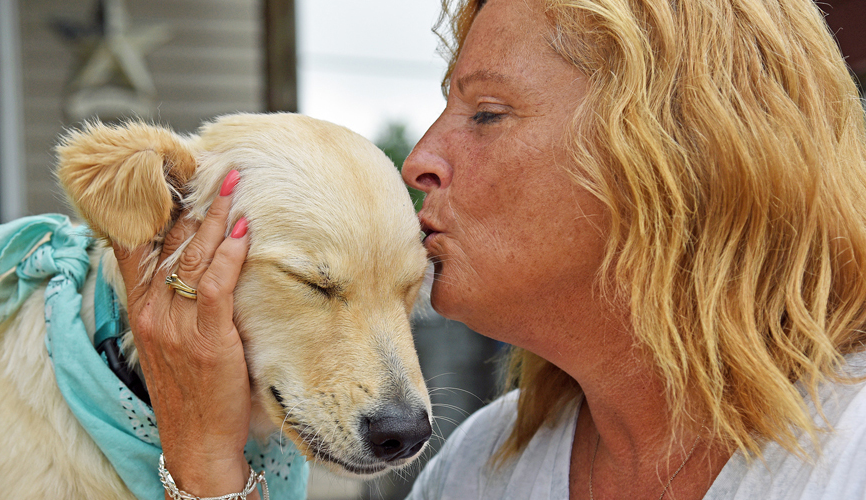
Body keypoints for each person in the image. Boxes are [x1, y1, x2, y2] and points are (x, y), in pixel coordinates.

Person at [113, 0, 866, 498]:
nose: (419, 161)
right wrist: (209, 460)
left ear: (680, 156)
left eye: (487, 112)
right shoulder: (480, 465)